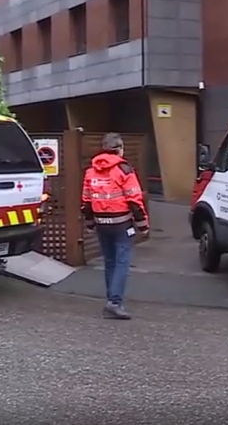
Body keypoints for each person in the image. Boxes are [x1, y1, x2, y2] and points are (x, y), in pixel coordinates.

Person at [81, 133, 150, 320]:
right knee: (122, 262)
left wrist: (89, 222)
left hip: (101, 223)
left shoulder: (91, 171)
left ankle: (111, 299)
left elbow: (86, 201)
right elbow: (135, 201)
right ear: (119, 148)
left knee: (110, 261)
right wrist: (143, 225)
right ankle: (114, 303)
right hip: (121, 223)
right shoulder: (125, 170)